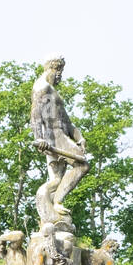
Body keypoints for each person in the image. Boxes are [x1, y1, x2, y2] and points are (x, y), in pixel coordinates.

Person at [30, 54, 89, 222]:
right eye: (60, 73)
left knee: (57, 180)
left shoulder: (52, 90)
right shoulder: (42, 86)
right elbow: (35, 113)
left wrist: (80, 137)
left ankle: (51, 210)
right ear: (54, 70)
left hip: (62, 134)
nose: (60, 77)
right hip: (54, 136)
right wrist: (38, 138)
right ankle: (58, 200)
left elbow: (67, 121)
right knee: (82, 165)